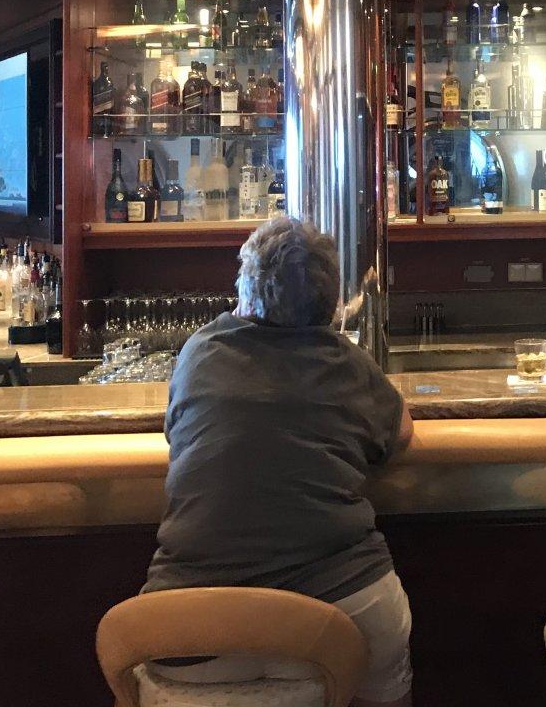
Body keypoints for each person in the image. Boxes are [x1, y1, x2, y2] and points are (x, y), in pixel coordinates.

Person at [144, 217, 415, 707]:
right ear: (331, 303)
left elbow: (176, 432)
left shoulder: (200, 352)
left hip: (195, 624)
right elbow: (401, 435)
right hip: (344, 603)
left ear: (245, 293)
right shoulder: (348, 363)